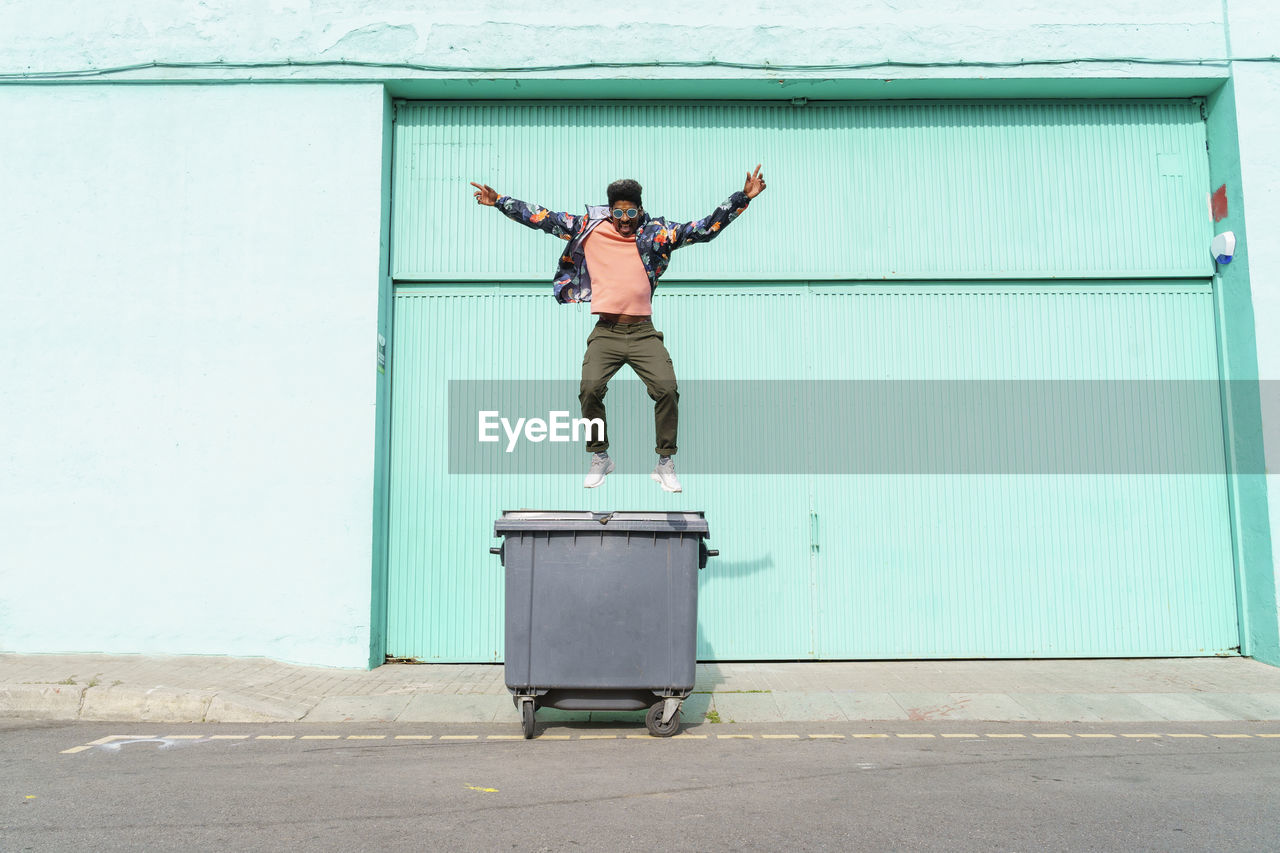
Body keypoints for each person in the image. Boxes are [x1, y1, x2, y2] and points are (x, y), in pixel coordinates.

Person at [470, 167, 767, 492]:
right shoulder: (588, 227)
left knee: (667, 390)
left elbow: (704, 229)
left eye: (631, 212)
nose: (625, 220)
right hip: (606, 333)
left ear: (640, 210)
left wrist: (742, 198)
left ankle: (665, 462)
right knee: (590, 389)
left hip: (642, 333)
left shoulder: (657, 233)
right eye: (618, 213)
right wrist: (499, 200)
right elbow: (541, 217)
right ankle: (600, 456)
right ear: (609, 211)